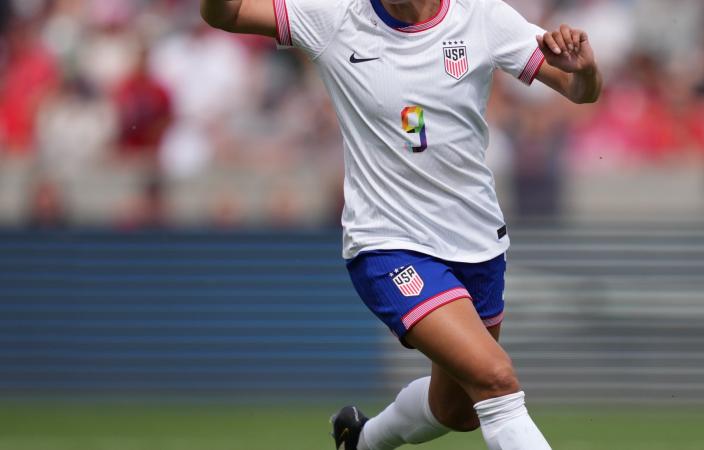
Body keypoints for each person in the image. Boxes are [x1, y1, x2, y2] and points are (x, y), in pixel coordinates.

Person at [200, 1, 601, 449]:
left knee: (457, 410)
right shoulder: (334, 17)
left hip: (476, 242)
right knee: (495, 377)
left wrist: (584, 71)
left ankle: (363, 440)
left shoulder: (483, 17)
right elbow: (226, 13)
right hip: (388, 243)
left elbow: (578, 89)